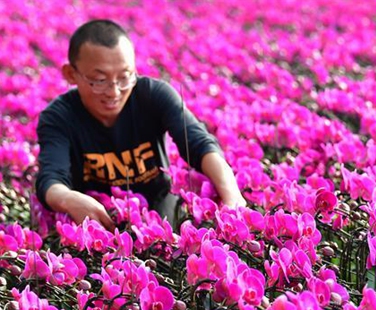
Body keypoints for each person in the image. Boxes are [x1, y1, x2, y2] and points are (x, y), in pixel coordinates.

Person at [35, 19, 246, 230]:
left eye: (125, 77)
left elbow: (198, 143)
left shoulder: (154, 95)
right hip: (95, 220)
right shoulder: (58, 117)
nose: (114, 92)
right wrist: (69, 199)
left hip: (160, 211)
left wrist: (231, 195)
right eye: (99, 80)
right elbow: (51, 179)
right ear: (71, 74)